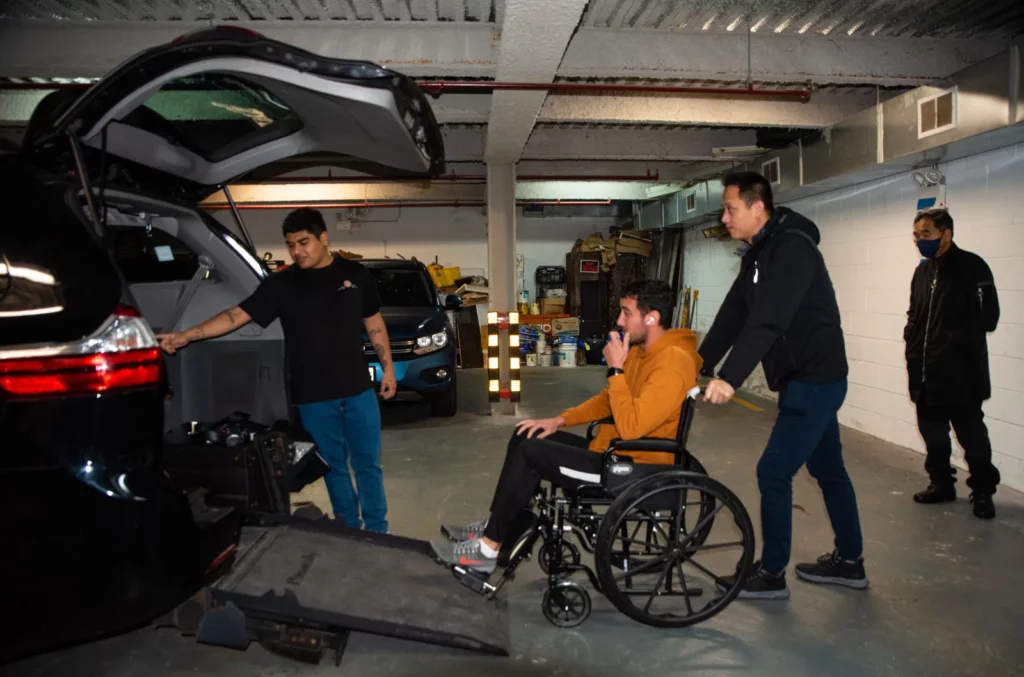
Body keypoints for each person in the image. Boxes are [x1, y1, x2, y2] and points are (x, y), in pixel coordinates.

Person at [429, 280, 701, 575]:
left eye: (626, 313)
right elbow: (610, 402)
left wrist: (616, 370)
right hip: (616, 451)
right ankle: (499, 527)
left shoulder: (673, 362)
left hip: (635, 466)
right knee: (527, 433)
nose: (619, 321)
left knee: (532, 454)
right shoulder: (641, 351)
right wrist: (558, 420)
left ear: (652, 318)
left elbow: (632, 425)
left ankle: (487, 550)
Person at [156, 207, 396, 533]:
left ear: (324, 238)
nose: (297, 251)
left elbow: (374, 322)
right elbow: (236, 315)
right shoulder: (281, 285)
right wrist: (187, 335)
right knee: (335, 468)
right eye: (290, 244)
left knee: (368, 466)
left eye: (304, 242)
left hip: (358, 391)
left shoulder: (356, 275)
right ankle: (350, 532)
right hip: (313, 397)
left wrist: (388, 370)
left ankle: (379, 532)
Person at [698, 171, 867, 600]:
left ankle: (771, 573)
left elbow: (768, 320)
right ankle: (850, 563)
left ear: (758, 207)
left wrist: (729, 379)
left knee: (773, 471)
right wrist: (698, 363)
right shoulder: (758, 253)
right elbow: (735, 312)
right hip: (805, 378)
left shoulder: (792, 249)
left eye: (730, 208)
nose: (725, 216)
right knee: (828, 470)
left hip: (816, 378)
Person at [905, 208, 1000, 519]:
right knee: (933, 435)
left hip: (961, 374)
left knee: (972, 437)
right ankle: (942, 484)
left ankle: (983, 491)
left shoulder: (972, 267)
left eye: (926, 235)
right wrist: (912, 339)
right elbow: (914, 315)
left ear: (946, 234)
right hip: (924, 372)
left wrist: (953, 338)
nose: (920, 241)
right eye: (917, 236)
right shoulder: (922, 272)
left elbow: (989, 317)